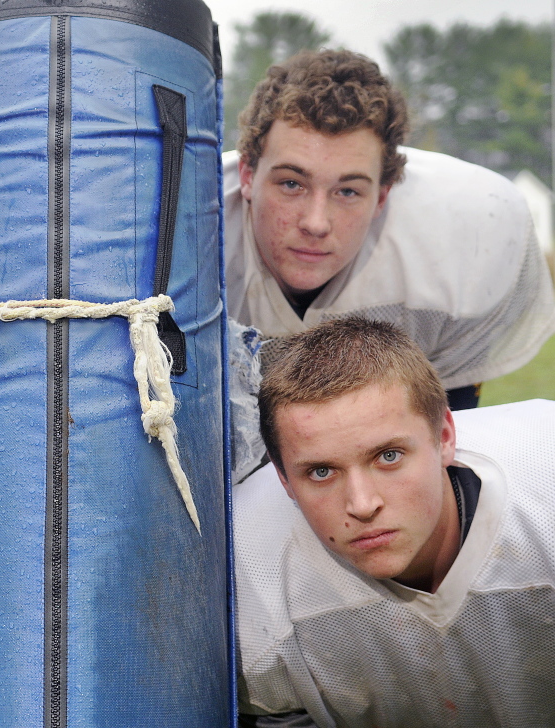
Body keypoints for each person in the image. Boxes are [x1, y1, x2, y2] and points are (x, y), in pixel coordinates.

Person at [234, 317, 555, 727]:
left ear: (444, 438)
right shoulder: (252, 569)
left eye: (388, 456)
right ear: (283, 479)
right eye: (321, 472)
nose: (363, 505)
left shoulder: (545, 483)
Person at [223, 49, 555, 410]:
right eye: (291, 184)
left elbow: (439, 437)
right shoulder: (186, 224)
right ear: (247, 176)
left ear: (382, 196)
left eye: (348, 191)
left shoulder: (461, 242)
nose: (316, 223)